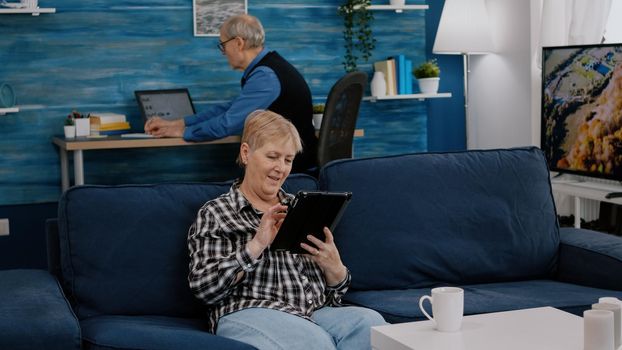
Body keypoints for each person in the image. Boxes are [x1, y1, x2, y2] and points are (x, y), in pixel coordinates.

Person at [187, 110, 386, 350]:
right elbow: (204, 289)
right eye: (272, 156)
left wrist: (335, 269)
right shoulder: (218, 212)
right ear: (246, 153)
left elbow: (334, 295)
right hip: (248, 312)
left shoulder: (301, 207)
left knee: (371, 325)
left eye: (288, 160)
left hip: (311, 312)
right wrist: (256, 245)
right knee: (314, 342)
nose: (281, 168)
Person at [145, 14, 318, 173]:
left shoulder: (266, 76)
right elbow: (230, 108)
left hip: (292, 171)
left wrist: (183, 132)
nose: (223, 52)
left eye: (223, 45)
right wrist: (179, 123)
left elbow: (229, 123)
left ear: (238, 43)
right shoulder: (267, 68)